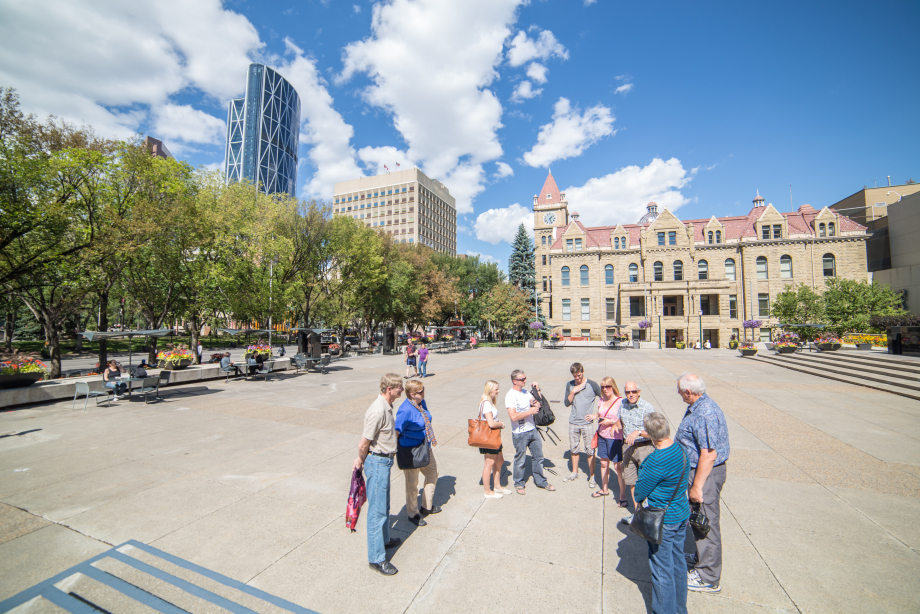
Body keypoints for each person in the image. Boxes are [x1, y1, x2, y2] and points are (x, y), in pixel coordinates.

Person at [675, 373, 730, 594]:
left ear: (689, 392)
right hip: (699, 471)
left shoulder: (704, 413)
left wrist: (697, 487)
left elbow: (708, 454)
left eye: (680, 392)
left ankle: (708, 576)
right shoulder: (700, 405)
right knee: (699, 519)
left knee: (706, 520)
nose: (679, 395)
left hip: (704, 473)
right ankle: (701, 557)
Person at [634, 412, 691, 614]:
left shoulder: (655, 460)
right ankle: (679, 609)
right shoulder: (681, 450)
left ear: (650, 434)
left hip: (663, 520)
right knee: (678, 564)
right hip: (681, 514)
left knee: (661, 569)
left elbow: (640, 491)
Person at [354, 373, 404, 576]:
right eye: (398, 386)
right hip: (377, 462)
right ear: (388, 389)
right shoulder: (377, 410)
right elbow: (364, 442)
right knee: (377, 512)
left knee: (384, 506)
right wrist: (360, 460)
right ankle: (376, 558)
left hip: (385, 461)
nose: (402, 389)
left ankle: (384, 540)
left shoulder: (387, 406)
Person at [395, 379, 441, 526]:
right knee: (412, 483)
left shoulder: (421, 403)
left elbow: (426, 419)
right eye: (421, 391)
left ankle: (426, 506)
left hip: (425, 446)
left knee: (432, 473)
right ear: (412, 394)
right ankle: (413, 513)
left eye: (423, 389)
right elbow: (396, 431)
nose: (424, 392)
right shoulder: (405, 410)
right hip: (411, 451)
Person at [506, 369, 555, 494]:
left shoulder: (526, 392)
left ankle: (541, 481)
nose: (525, 381)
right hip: (519, 433)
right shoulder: (510, 396)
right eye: (522, 379)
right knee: (520, 460)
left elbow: (536, 402)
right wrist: (530, 411)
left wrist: (537, 392)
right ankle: (519, 483)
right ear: (514, 381)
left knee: (538, 457)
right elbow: (513, 416)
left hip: (532, 430)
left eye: (525, 378)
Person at [619, 380, 656, 523]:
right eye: (628, 392)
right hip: (628, 447)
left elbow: (654, 432)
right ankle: (638, 514)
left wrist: (639, 432)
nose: (630, 394)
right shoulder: (622, 404)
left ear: (639, 392)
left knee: (647, 481)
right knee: (632, 482)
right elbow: (619, 420)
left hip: (644, 447)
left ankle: (651, 515)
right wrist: (615, 424)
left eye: (633, 391)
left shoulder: (647, 408)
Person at [563, 362, 602, 487]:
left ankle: (592, 476)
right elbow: (566, 403)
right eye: (575, 376)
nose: (577, 378)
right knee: (574, 449)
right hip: (573, 422)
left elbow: (605, 400)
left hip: (587, 423)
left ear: (583, 371)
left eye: (579, 375)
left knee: (590, 451)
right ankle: (574, 472)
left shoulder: (592, 385)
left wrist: (596, 416)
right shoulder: (570, 385)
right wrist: (573, 391)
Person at [593, 377, 626, 503]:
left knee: (617, 466)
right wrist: (595, 416)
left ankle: (622, 494)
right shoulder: (601, 400)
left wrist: (611, 422)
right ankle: (604, 488)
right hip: (602, 435)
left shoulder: (620, 401)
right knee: (603, 463)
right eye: (603, 387)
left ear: (613, 387)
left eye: (608, 386)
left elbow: (623, 420)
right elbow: (599, 414)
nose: (605, 389)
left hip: (615, 438)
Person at [478, 380, 510, 498]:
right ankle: (487, 491)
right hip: (489, 438)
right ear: (490, 390)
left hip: (494, 437)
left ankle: (497, 486)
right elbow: (491, 423)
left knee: (499, 460)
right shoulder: (486, 403)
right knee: (489, 463)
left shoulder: (490, 402)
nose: (498, 391)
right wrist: (500, 423)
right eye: (496, 389)